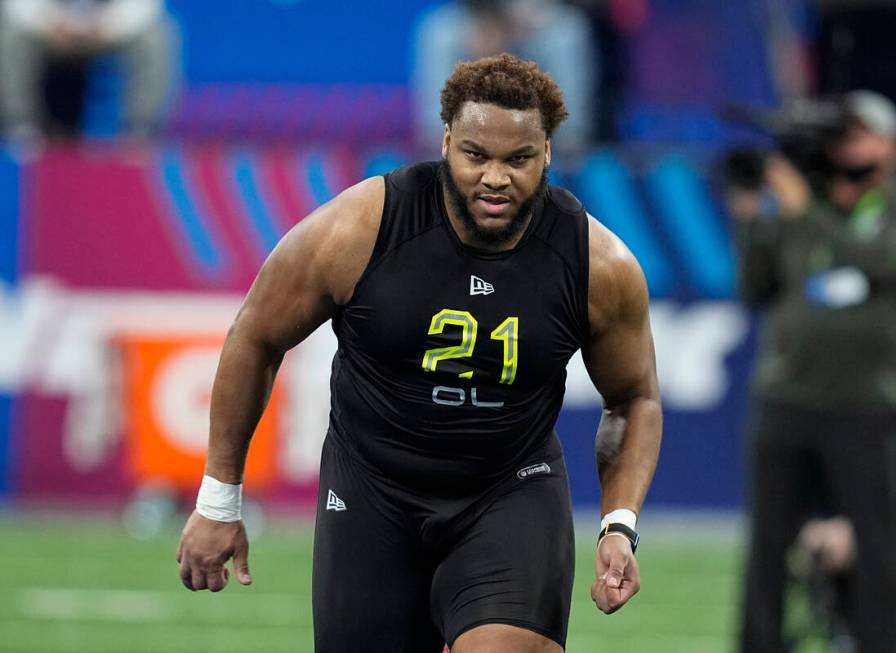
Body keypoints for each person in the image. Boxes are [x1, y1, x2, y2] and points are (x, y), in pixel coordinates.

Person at [176, 54, 663, 653]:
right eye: (476, 155)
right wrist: (218, 500)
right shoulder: (360, 229)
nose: (495, 178)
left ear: (548, 155)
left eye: (519, 159)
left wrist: (620, 524)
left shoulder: (597, 265)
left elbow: (634, 397)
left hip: (508, 491)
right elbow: (255, 336)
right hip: (372, 493)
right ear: (445, 142)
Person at [728, 90, 896, 653]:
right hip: (786, 400)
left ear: (890, 146)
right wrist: (751, 217)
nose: (846, 144)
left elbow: (884, 262)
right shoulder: (800, 206)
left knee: (880, 550)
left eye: (858, 133)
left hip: (869, 406)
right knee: (767, 548)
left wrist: (803, 212)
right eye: (840, 134)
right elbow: (755, 287)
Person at [412, 0, 596, 153]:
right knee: (440, 33)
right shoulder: (448, 29)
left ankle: (564, 146)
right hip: (475, 11)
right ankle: (449, 142)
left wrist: (517, 20)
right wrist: (488, 20)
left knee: (565, 34)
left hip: (528, 13)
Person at [0, 0, 180, 143]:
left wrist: (106, 26)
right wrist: (49, 22)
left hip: (106, 32)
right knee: (7, 31)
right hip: (47, 30)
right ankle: (20, 129)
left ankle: (138, 133)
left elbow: (145, 7)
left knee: (155, 37)